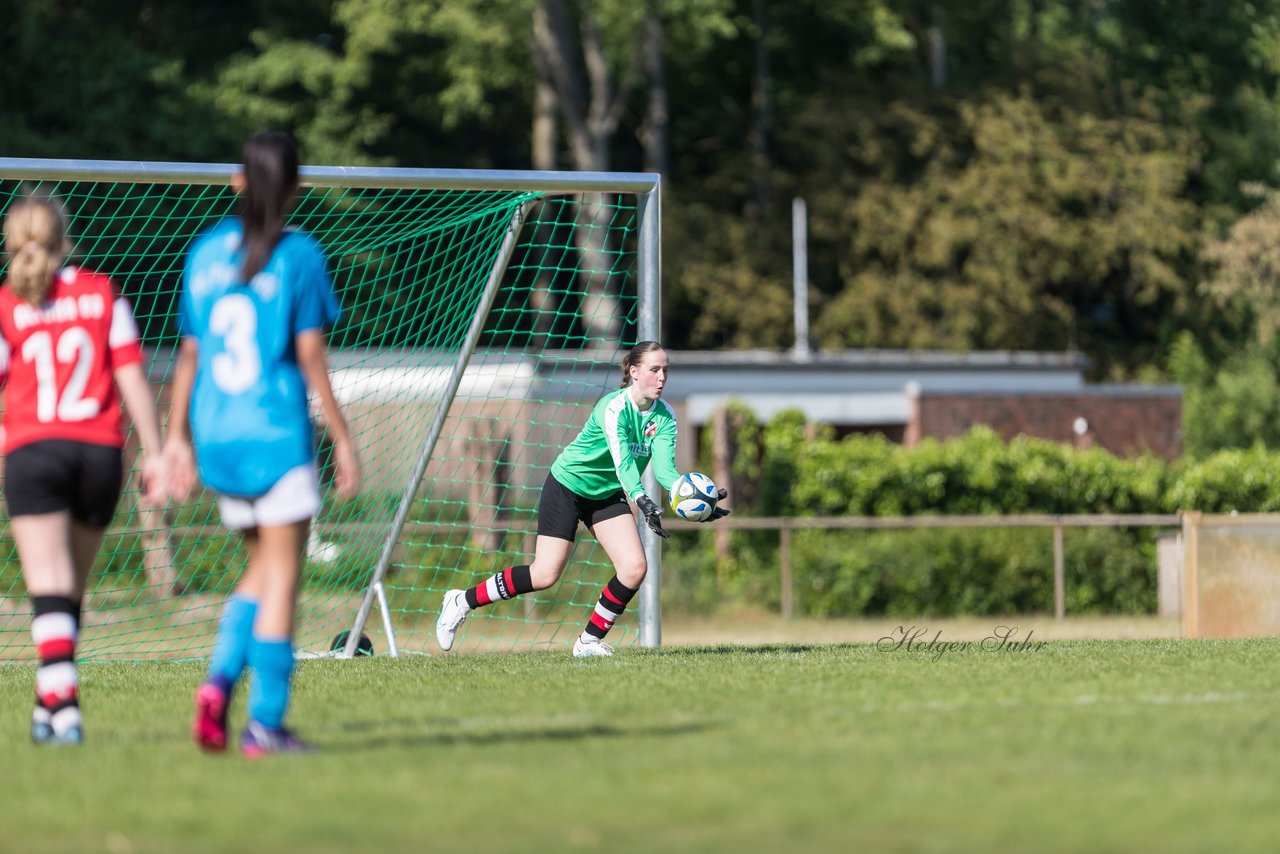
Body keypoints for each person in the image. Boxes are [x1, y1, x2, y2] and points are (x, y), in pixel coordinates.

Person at [164, 131, 361, 757]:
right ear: (296, 187)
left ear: (238, 181)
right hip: (275, 433)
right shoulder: (298, 253)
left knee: (261, 568)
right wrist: (342, 436)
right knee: (283, 579)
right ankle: (264, 723)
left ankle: (219, 686)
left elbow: (189, 356)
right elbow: (309, 354)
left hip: (218, 433)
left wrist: (175, 439)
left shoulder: (202, 253)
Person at [435, 341, 728, 658]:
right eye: (654, 370)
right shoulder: (613, 408)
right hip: (567, 486)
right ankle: (460, 601)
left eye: (665, 371)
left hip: (605, 494)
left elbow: (666, 471)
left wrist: (694, 501)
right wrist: (641, 499)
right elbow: (623, 463)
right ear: (633, 372)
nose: (661, 378)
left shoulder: (666, 416)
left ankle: (587, 642)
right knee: (544, 574)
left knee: (633, 567)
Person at [0, 194, 166, 745]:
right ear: (64, 237)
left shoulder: (7, 302)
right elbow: (131, 376)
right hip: (98, 454)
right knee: (68, 589)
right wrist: (156, 450)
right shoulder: (100, 291)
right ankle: (49, 708)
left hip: (33, 452)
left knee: (48, 588)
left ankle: (65, 706)